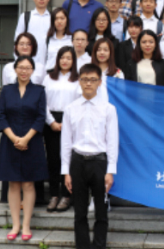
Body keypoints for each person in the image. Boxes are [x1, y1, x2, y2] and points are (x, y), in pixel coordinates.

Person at [62, 64, 119, 249]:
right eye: (85, 79)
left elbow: (112, 142)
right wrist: (66, 171)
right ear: (79, 81)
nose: (88, 83)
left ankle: (99, 245)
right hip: (77, 162)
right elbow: (66, 142)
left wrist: (110, 171)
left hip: (99, 163)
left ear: (99, 82)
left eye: (93, 80)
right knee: (80, 212)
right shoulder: (70, 108)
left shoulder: (108, 109)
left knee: (101, 211)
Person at [0, 56, 49, 242]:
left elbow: (40, 117)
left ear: (33, 70)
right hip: (10, 141)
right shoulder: (7, 90)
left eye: (28, 68)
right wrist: (14, 138)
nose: (24, 71)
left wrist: (25, 139)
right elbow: (1, 116)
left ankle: (26, 225)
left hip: (32, 142)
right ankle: (15, 224)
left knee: (28, 184)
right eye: (21, 67)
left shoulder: (39, 91)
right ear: (15, 69)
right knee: (13, 183)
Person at [41, 46, 80, 213]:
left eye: (69, 58)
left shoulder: (78, 79)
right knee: (53, 159)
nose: (65, 61)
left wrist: (68, 123)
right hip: (51, 121)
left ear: (73, 61)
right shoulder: (49, 78)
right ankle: (54, 195)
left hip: (71, 121)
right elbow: (42, 102)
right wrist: (51, 122)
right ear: (57, 60)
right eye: (62, 57)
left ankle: (66, 195)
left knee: (68, 158)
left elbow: (80, 102)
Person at [14, 0, 51, 66]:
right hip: (28, 63)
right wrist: (18, 61)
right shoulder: (25, 16)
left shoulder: (53, 18)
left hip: (48, 63)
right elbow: (17, 39)